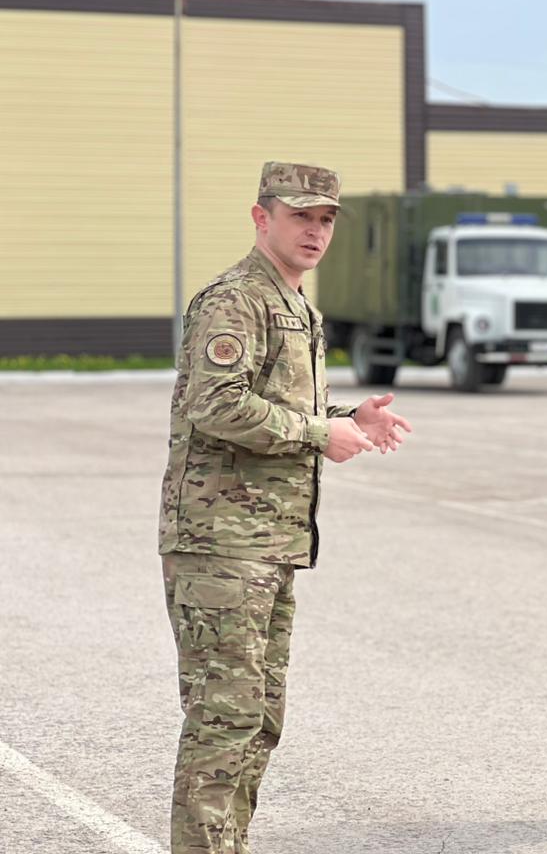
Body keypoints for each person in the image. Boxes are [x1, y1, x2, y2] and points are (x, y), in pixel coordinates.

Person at [158, 161, 412, 854]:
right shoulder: (235, 301)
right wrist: (318, 434)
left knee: (258, 720)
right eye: (301, 215)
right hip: (220, 543)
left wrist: (346, 418)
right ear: (260, 217)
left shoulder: (296, 305)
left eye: (326, 219)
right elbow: (216, 406)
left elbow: (283, 407)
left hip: (268, 542)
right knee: (223, 721)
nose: (315, 231)